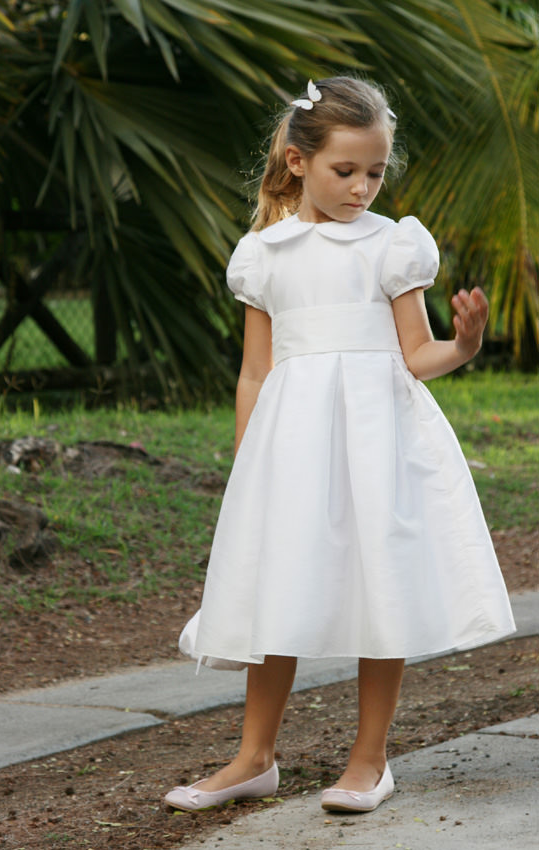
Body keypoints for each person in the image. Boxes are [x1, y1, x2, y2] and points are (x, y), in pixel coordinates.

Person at [164, 76, 515, 814]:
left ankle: (369, 760)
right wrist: (246, 461)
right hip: (289, 444)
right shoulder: (265, 253)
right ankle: (254, 757)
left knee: (374, 581)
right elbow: (256, 371)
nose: (362, 187)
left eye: (375, 172)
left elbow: (416, 357)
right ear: (297, 162)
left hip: (374, 438)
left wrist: (466, 343)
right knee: (277, 586)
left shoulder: (391, 245)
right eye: (345, 171)